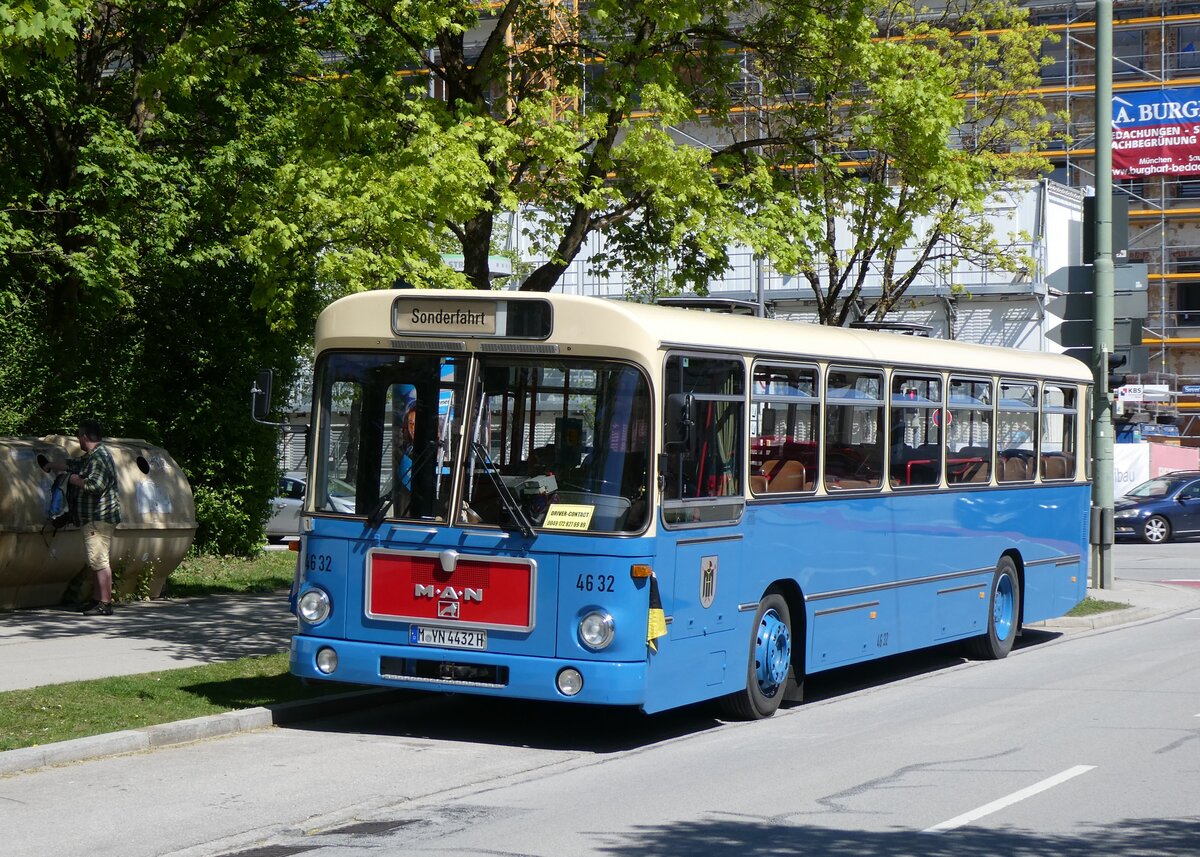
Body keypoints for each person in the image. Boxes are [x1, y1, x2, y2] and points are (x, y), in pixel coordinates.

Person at [48, 420, 122, 616]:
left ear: (85, 437)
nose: (78, 439)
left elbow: (95, 486)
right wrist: (52, 465)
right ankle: (97, 600)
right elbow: (75, 463)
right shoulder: (92, 457)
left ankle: (105, 603)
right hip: (94, 518)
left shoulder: (99, 458)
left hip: (99, 518)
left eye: (79, 436)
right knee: (95, 559)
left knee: (99, 560)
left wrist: (70, 479)